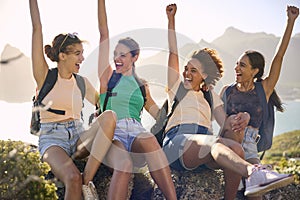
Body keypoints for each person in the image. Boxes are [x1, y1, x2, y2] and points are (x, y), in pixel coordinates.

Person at [163, 4, 294, 200]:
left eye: (193, 71)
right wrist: (171, 20)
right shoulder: (176, 88)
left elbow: (225, 122)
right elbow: (173, 54)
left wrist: (241, 119)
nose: (187, 74)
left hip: (204, 145)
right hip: (178, 142)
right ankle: (253, 172)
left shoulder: (211, 96)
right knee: (215, 143)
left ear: (204, 76)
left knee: (236, 148)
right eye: (186, 69)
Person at [29, 0, 118, 199]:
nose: (82, 59)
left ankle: (88, 179)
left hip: (78, 136)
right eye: (77, 54)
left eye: (82, 53)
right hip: (53, 139)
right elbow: (37, 28)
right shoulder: (45, 76)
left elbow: (102, 105)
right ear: (62, 56)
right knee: (71, 178)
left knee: (110, 116)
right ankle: (80, 180)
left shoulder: (82, 83)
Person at [97, 0, 177, 199]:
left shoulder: (142, 85)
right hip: (111, 135)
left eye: (122, 55)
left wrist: (171, 21)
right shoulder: (107, 77)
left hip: (136, 134)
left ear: (135, 57)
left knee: (150, 139)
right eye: (115, 54)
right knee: (123, 165)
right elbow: (103, 35)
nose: (117, 58)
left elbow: (160, 115)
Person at [220, 5, 299, 200]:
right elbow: (216, 118)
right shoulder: (226, 91)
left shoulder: (263, 89)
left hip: (250, 144)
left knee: (257, 186)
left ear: (255, 71)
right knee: (245, 180)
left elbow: (279, 56)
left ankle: (258, 178)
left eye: (242, 65)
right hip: (229, 142)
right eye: (237, 64)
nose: (236, 67)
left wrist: (291, 22)